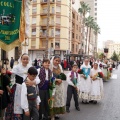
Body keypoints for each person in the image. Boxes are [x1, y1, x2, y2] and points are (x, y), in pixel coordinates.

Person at [5, 53, 40, 120]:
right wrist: (10, 87)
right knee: (18, 105)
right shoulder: (16, 67)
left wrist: (32, 82)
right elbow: (12, 78)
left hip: (29, 89)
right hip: (18, 88)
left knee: (28, 105)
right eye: (24, 59)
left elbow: (38, 79)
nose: (25, 60)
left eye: (27, 59)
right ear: (21, 59)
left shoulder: (31, 68)